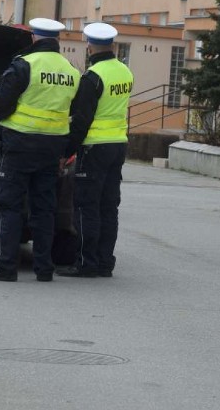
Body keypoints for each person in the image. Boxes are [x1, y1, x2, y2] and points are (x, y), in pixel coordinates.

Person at [0, 18, 80, 283]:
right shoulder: (71, 70)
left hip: (19, 146)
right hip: (52, 147)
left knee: (10, 206)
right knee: (44, 209)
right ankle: (44, 269)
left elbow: (1, 102)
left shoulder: (24, 64)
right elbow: (75, 108)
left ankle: (6, 268)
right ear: (56, 40)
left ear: (34, 38)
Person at [58, 23, 133, 278]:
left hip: (94, 147)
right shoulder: (124, 71)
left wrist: (67, 150)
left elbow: (81, 120)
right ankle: (104, 262)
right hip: (118, 145)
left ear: (89, 46)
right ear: (112, 45)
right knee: (108, 206)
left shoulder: (93, 77)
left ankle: (86, 263)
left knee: (86, 206)